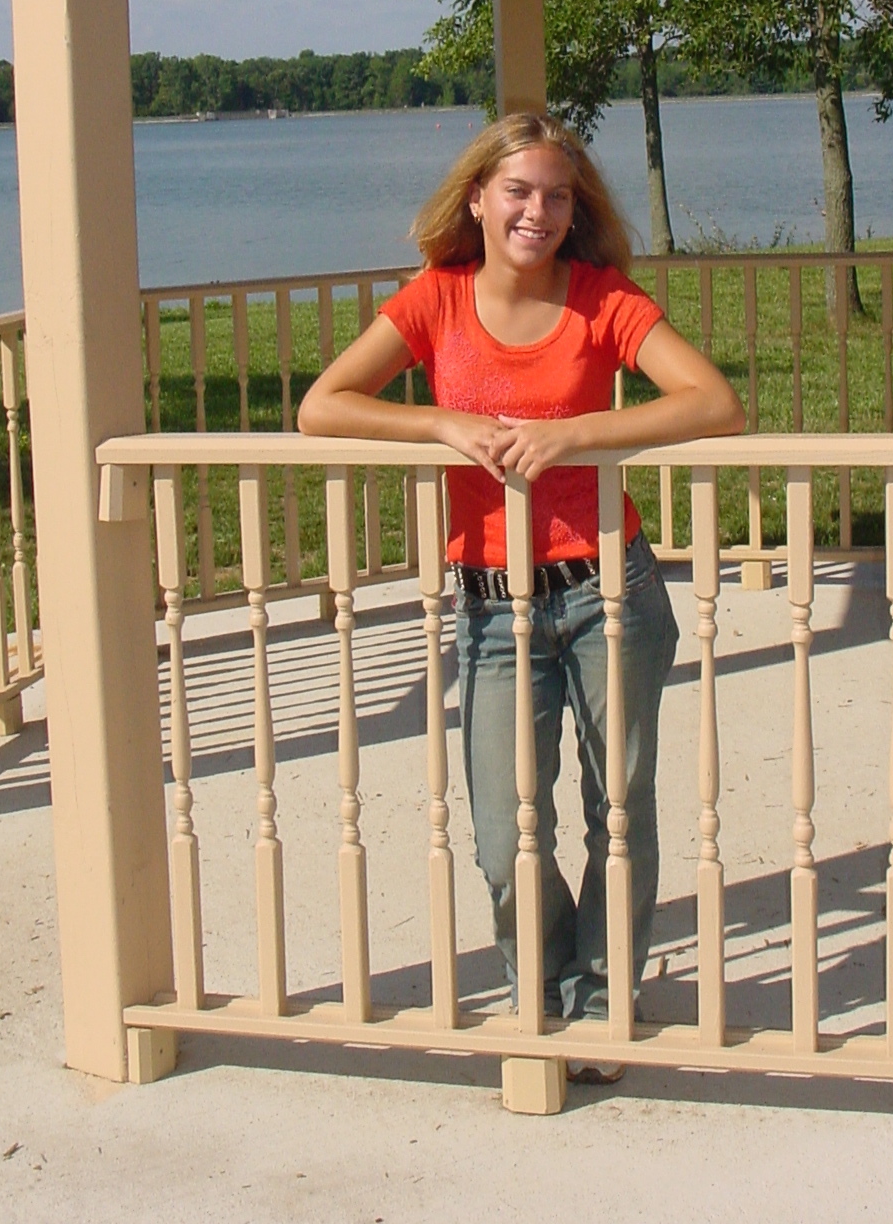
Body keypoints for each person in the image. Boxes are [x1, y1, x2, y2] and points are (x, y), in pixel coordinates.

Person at [299, 112, 744, 1063]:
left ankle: (603, 1006)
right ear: (478, 199)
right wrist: (442, 424)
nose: (537, 211)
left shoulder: (602, 299)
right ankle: (541, 995)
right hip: (491, 603)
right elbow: (321, 405)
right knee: (505, 833)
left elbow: (714, 401)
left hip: (609, 593)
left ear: (575, 209)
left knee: (616, 809)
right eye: (518, 191)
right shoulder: (436, 300)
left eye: (557, 195)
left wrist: (577, 433)